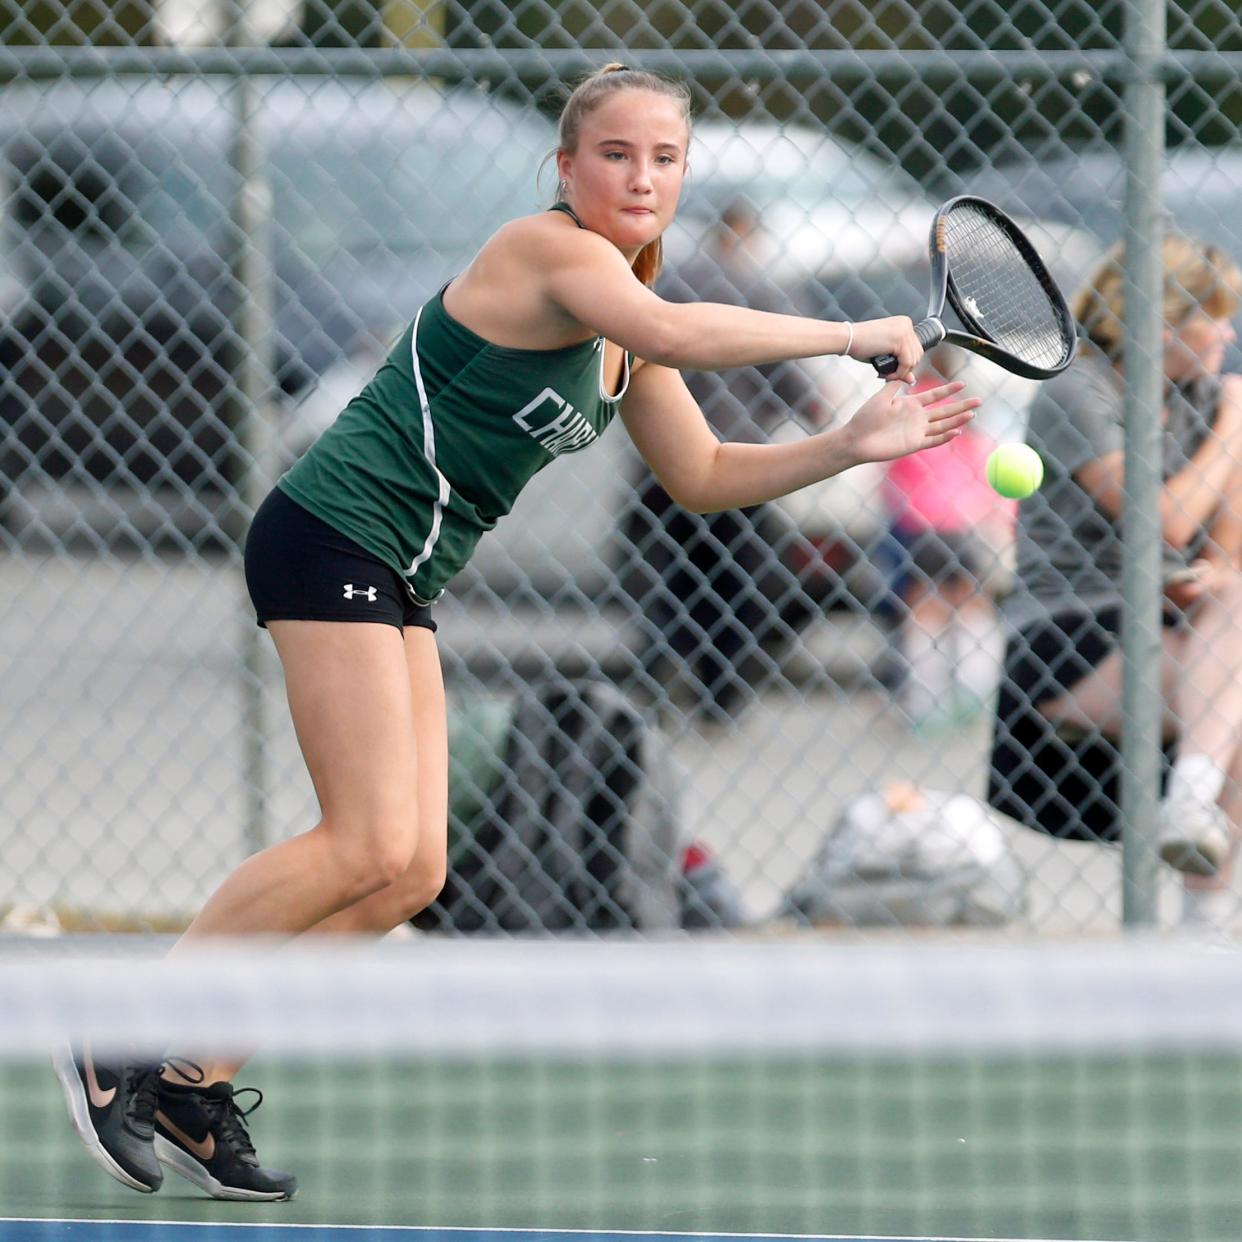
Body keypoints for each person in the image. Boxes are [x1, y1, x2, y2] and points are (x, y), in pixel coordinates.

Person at [54, 63, 977, 1201]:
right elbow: (675, 326)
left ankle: (195, 1078)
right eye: (616, 154)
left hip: (402, 571)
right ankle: (119, 1031)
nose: (641, 177)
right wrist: (846, 333)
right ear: (566, 167)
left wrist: (848, 448)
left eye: (664, 158)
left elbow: (702, 474)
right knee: (358, 844)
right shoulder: (551, 256)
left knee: (409, 871)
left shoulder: (623, 326)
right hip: (330, 536)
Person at [987, 234, 1242, 929]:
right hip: (1067, 633)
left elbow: (1223, 555)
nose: (1226, 331)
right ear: (1161, 324)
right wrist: (1233, 430)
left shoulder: (1197, 397)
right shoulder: (1077, 390)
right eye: (1212, 316)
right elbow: (1161, 522)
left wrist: (1205, 578)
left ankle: (1199, 911)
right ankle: (1202, 893)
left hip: (1163, 623)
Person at [621, 200, 829, 721]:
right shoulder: (761, 295)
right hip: (736, 464)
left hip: (661, 459)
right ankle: (722, 693)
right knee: (736, 581)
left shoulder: (671, 283)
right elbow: (796, 385)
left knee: (667, 575)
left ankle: (662, 669)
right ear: (747, 235)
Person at [879, 352, 1015, 730]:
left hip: (921, 519)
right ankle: (977, 692)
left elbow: (891, 472)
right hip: (965, 517)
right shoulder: (964, 405)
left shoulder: (909, 404)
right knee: (972, 603)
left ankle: (926, 703)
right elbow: (983, 459)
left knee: (924, 607)